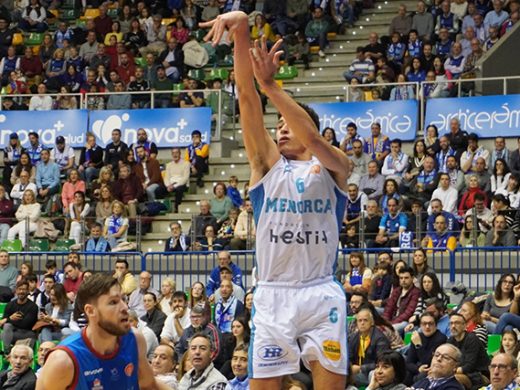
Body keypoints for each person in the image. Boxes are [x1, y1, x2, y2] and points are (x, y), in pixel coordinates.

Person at [37, 273, 172, 390]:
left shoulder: (135, 339)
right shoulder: (63, 361)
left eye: (123, 300)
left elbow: (149, 385)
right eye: (113, 302)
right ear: (90, 311)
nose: (125, 307)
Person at [349, 308, 392, 386]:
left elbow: (382, 363)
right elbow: (349, 357)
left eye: (365, 320)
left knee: (349, 378)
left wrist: (360, 368)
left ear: (372, 322)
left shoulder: (380, 338)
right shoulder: (353, 337)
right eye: (360, 320)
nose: (362, 323)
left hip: (373, 374)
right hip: (357, 372)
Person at [447, 312, 490, 390]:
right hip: (463, 373)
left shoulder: (472, 339)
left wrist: (450, 371)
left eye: (457, 323)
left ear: (464, 326)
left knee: (454, 379)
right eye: (451, 323)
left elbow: (469, 366)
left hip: (480, 375)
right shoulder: (450, 340)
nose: (453, 326)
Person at [406, 312, 448, 385]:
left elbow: (427, 362)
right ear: (420, 325)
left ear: (436, 325)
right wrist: (418, 368)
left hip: (432, 371)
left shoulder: (441, 338)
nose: (427, 326)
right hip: (418, 369)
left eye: (430, 324)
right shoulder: (418, 337)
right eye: (424, 324)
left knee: (423, 375)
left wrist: (418, 345)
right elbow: (409, 362)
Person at [0, 280, 38, 353]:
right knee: (7, 326)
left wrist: (9, 320)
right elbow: (2, 324)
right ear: (16, 291)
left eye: (23, 289)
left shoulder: (33, 306)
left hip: (26, 333)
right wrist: (10, 318)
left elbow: (26, 325)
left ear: (27, 291)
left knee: (7, 328)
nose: (21, 291)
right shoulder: (10, 305)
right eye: (19, 289)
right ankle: (7, 351)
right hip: (10, 332)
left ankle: (6, 352)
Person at [383, 267, 421, 334]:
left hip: (405, 322)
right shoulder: (396, 291)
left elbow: (408, 313)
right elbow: (388, 308)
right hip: (392, 319)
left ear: (412, 278)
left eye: (406, 278)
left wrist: (391, 324)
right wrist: (385, 322)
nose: (403, 280)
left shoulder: (416, 292)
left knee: (392, 329)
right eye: (401, 278)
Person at [165, 148, 190, 213]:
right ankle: (164, 208)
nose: (175, 155)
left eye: (176, 153)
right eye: (173, 153)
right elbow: (166, 178)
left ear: (180, 154)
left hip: (181, 184)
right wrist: (168, 185)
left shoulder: (186, 163)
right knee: (158, 190)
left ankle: (177, 208)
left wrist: (174, 186)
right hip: (171, 184)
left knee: (179, 189)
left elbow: (185, 178)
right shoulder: (169, 165)